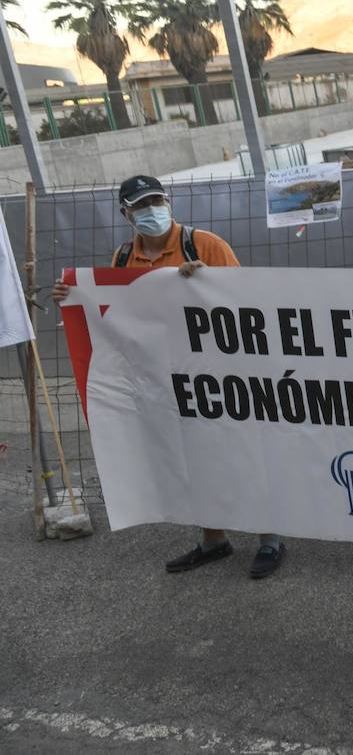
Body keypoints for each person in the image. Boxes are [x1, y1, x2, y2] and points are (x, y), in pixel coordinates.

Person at [52, 175, 287, 579]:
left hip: (217, 373)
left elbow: (245, 301)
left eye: (156, 201)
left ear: (169, 201)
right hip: (164, 375)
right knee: (190, 457)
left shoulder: (205, 245)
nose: (151, 211)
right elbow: (120, 312)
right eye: (141, 206)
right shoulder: (124, 257)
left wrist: (206, 284)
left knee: (239, 455)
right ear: (126, 213)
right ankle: (213, 540)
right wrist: (74, 297)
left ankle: (270, 539)